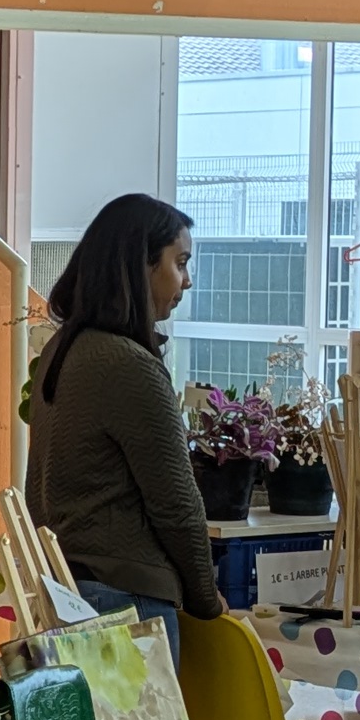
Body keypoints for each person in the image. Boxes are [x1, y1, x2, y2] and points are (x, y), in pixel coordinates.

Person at [25, 193, 227, 632]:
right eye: (180, 263)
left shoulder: (62, 349)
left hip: (68, 590)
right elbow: (176, 504)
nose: (187, 281)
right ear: (142, 265)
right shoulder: (128, 364)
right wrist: (207, 600)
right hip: (127, 603)